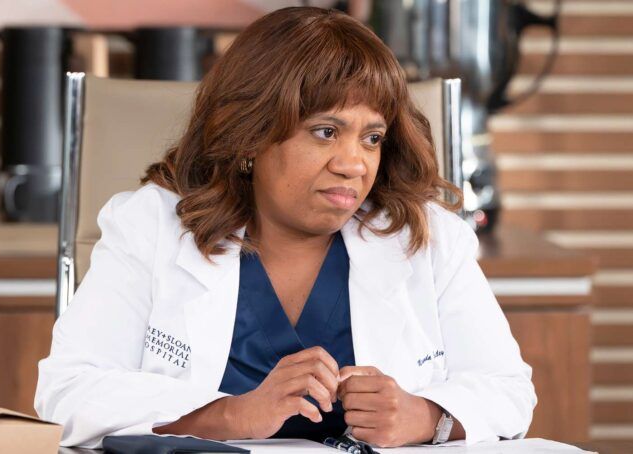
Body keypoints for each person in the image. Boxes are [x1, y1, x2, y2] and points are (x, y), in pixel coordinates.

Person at [34, 6, 536, 449]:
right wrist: (233, 416)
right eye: (326, 131)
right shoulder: (153, 226)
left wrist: (426, 417)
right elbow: (68, 393)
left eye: (372, 138)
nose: (354, 164)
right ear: (250, 137)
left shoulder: (423, 235)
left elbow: (509, 390)